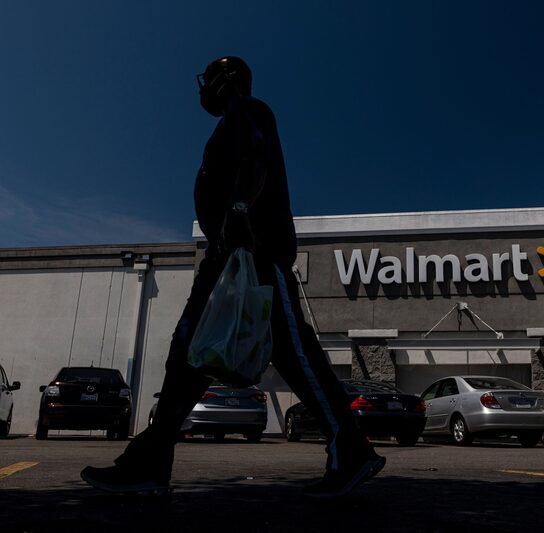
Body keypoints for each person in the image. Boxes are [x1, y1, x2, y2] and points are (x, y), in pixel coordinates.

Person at [81, 56, 384, 499]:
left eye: (210, 77)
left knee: (290, 347)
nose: (203, 87)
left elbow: (255, 154)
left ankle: (351, 446)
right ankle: (149, 459)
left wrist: (242, 208)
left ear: (228, 79)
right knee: (189, 352)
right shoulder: (226, 125)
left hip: (254, 251)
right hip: (224, 258)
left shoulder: (249, 110)